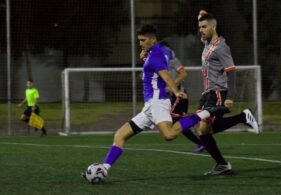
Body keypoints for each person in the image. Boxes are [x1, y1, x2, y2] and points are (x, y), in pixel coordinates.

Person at [82, 24, 216, 181]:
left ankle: (204, 113)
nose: (140, 43)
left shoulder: (155, 56)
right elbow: (164, 58)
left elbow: (166, 76)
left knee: (169, 135)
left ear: (153, 39)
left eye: (143, 40)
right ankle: (104, 169)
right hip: (149, 106)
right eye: (139, 40)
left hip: (158, 102)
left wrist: (176, 91)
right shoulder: (160, 51)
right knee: (120, 135)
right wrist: (146, 54)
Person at [173, 10, 259, 175]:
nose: (201, 30)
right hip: (207, 94)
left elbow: (231, 71)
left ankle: (243, 117)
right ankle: (222, 164)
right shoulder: (207, 44)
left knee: (203, 127)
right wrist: (200, 16)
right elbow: (203, 25)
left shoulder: (220, 48)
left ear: (213, 27)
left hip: (217, 92)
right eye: (200, 27)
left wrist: (230, 97)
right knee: (203, 130)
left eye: (204, 27)